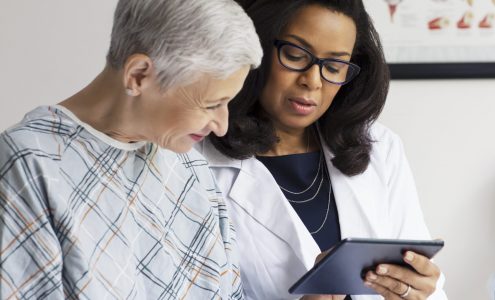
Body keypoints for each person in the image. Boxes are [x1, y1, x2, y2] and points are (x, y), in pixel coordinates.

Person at [0, 0, 262, 298]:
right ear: (138, 75)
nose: (222, 126)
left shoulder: (191, 166)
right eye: (211, 104)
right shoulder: (31, 164)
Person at [195, 0, 447, 299]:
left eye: (335, 66)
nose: (312, 81)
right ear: (256, 46)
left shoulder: (381, 148)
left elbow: (423, 284)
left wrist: (419, 291)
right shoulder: (194, 161)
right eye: (295, 55)